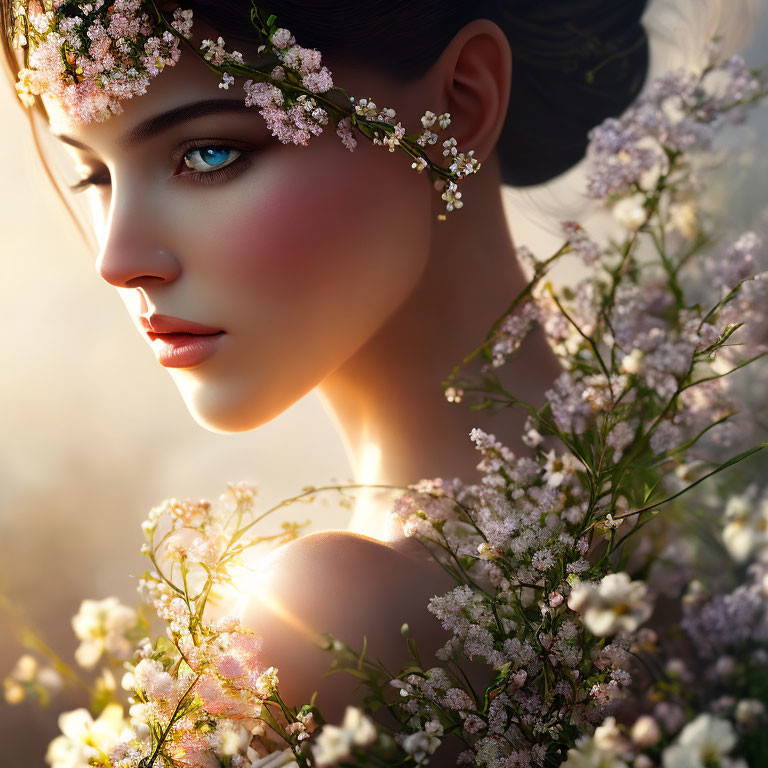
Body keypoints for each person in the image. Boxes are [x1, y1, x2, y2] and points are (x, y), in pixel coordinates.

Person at [0, 0, 650, 728]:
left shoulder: (331, 619)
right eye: (95, 176)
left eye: (209, 153)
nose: (118, 261)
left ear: (461, 104)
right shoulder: (674, 504)